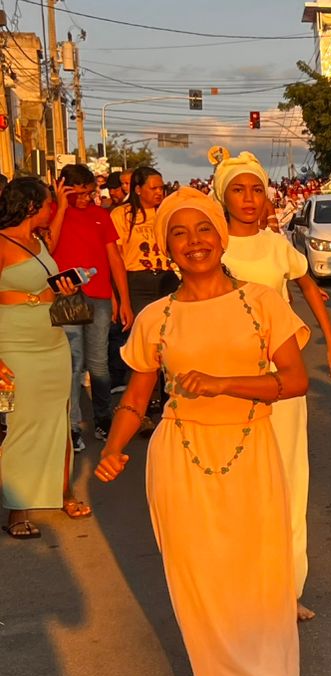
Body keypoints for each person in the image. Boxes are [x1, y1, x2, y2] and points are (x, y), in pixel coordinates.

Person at [95, 187, 310, 676]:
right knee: (201, 584)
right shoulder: (155, 317)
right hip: (179, 459)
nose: (195, 242)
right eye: (180, 234)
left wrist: (224, 384)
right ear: (167, 249)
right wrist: (114, 448)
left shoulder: (262, 301)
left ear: (220, 236)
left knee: (256, 580)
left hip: (250, 452)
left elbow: (294, 380)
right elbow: (137, 399)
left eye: (204, 230)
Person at [213, 151, 331, 623]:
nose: (249, 199)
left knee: (289, 479)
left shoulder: (275, 244)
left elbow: (308, 285)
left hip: (282, 378)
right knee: (237, 485)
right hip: (229, 380)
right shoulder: (210, 246)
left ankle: (286, 589)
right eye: (238, 189)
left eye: (256, 189)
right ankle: (239, 590)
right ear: (221, 195)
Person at [0, 177, 90, 538]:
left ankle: (62, 493)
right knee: (21, 423)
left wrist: (64, 287)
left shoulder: (40, 240)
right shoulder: (1, 243)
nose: (53, 208)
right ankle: (16, 508)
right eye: (49, 203)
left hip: (52, 341)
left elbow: (46, 277)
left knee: (58, 419)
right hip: (14, 343)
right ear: (31, 205)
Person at [46, 164, 131, 447]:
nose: (85, 199)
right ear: (63, 188)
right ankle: (72, 427)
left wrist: (123, 299)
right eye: (78, 194)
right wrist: (60, 207)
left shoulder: (100, 216)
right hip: (65, 297)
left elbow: (114, 259)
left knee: (99, 364)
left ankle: (103, 421)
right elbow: (50, 248)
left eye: (89, 193)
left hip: (100, 297)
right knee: (73, 364)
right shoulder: (51, 215)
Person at [111, 166, 178, 426]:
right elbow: (115, 257)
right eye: (153, 188)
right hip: (137, 281)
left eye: (161, 187)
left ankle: (168, 401)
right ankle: (146, 407)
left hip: (167, 279)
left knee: (170, 343)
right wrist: (120, 299)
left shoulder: (169, 212)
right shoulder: (122, 215)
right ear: (138, 190)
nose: (159, 192)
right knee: (146, 344)